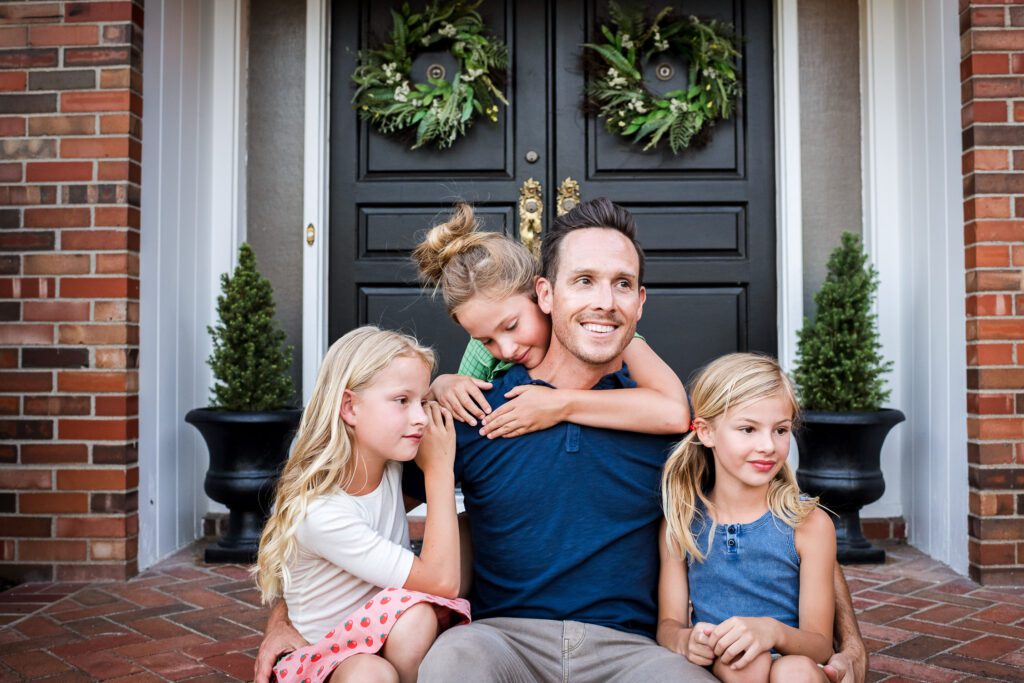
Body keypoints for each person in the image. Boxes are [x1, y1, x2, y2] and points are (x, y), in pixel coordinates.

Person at [255, 199, 868, 683]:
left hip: (633, 647)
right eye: (584, 281)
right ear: (548, 294)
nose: (604, 302)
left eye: (621, 284)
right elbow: (339, 500)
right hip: (503, 639)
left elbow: (783, 516)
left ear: (638, 303)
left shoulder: (666, 419)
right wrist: (285, 618)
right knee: (450, 665)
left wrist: (848, 638)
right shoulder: (473, 412)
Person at [253, 326, 470, 683]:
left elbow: (423, 393)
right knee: (372, 673)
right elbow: (443, 583)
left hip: (387, 628)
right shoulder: (321, 512)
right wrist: (438, 470)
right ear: (350, 407)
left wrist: (444, 383)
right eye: (403, 401)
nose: (421, 417)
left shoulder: (388, 463)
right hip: (329, 657)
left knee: (417, 616)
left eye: (422, 402)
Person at [412, 202, 689, 437]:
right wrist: (441, 387)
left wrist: (559, 404)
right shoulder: (482, 352)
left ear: (542, 295)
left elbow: (674, 413)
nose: (506, 350)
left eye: (512, 326)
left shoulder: (606, 332)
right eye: (486, 340)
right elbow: (462, 419)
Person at [658, 353, 835, 682]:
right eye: (748, 429)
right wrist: (685, 640)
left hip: (796, 662)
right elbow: (668, 626)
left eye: (780, 430)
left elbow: (821, 645)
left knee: (793, 671)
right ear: (706, 432)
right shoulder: (681, 522)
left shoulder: (808, 524)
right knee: (743, 662)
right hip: (731, 666)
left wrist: (772, 632)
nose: (768, 445)